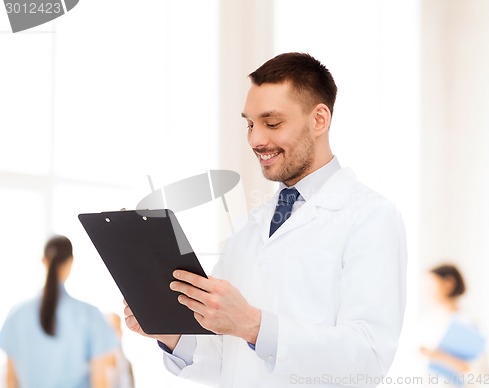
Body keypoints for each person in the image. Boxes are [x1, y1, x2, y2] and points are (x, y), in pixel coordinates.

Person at [124, 52, 407, 387]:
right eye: (250, 123)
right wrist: (170, 334)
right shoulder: (250, 227)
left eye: (272, 123)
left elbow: (367, 360)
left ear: (319, 120)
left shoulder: (371, 217)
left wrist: (253, 326)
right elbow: (223, 357)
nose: (256, 139)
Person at [0, 235, 119, 388]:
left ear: (44, 261)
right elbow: (100, 382)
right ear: (71, 261)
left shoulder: (17, 315)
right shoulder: (90, 315)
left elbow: (11, 380)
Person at [419, 264, 489, 387]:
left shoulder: (467, 322)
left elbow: (481, 372)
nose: (426, 292)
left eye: (431, 286)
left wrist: (439, 356)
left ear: (449, 283)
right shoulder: (426, 320)